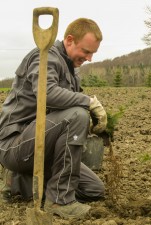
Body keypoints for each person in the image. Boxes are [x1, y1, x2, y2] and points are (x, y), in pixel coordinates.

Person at [0, 18, 107, 219]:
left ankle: (16, 181)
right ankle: (60, 200)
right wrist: (88, 102)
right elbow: (46, 93)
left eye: (92, 53)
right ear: (69, 40)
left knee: (94, 189)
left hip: (42, 144)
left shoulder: (70, 69)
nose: (90, 58)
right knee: (77, 115)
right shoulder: (45, 56)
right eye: (86, 51)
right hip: (15, 143)